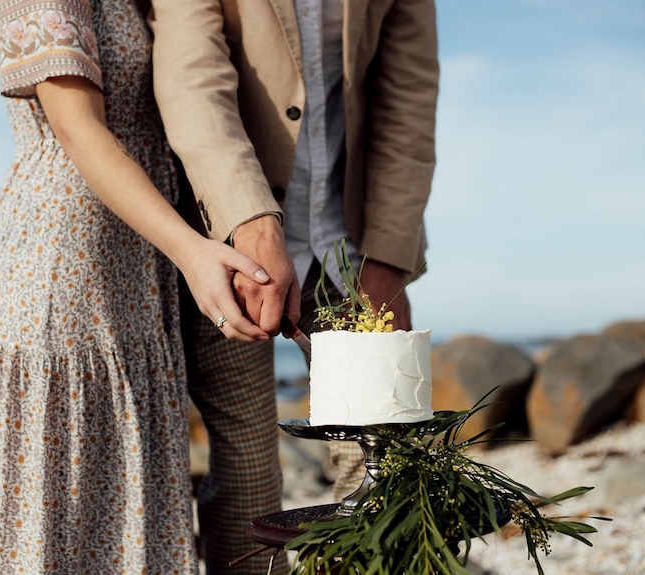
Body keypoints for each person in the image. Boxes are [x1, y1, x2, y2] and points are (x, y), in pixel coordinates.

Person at [0, 1, 275, 573]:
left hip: (135, 289)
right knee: (54, 542)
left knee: (130, 537)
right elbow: (77, 129)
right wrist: (193, 253)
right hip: (60, 288)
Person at [150, 1, 439, 573]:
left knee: (385, 458)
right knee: (249, 469)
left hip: (355, 246)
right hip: (234, 243)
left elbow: (409, 97)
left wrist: (387, 257)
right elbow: (191, 73)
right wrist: (249, 220)